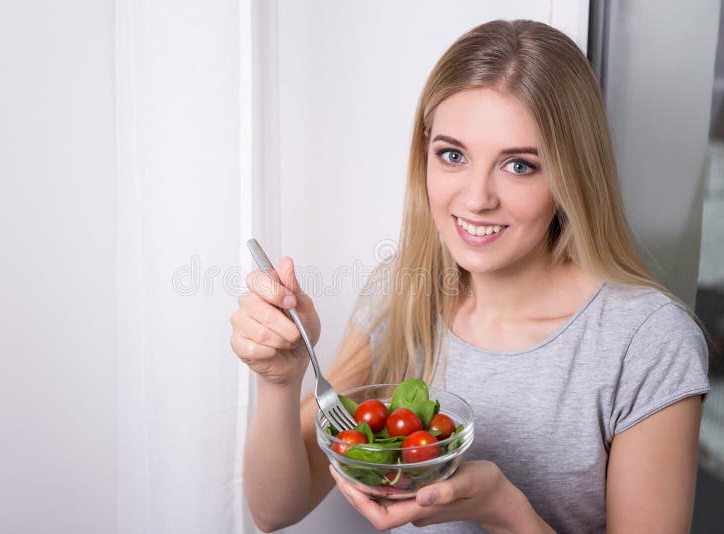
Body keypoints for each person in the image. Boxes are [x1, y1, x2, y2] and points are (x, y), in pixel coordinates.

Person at [229, 19, 710, 533]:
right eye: (453, 155)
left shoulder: (649, 342)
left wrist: (503, 510)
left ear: (571, 174)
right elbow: (273, 510)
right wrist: (279, 382)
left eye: (519, 165)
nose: (477, 198)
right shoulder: (404, 293)